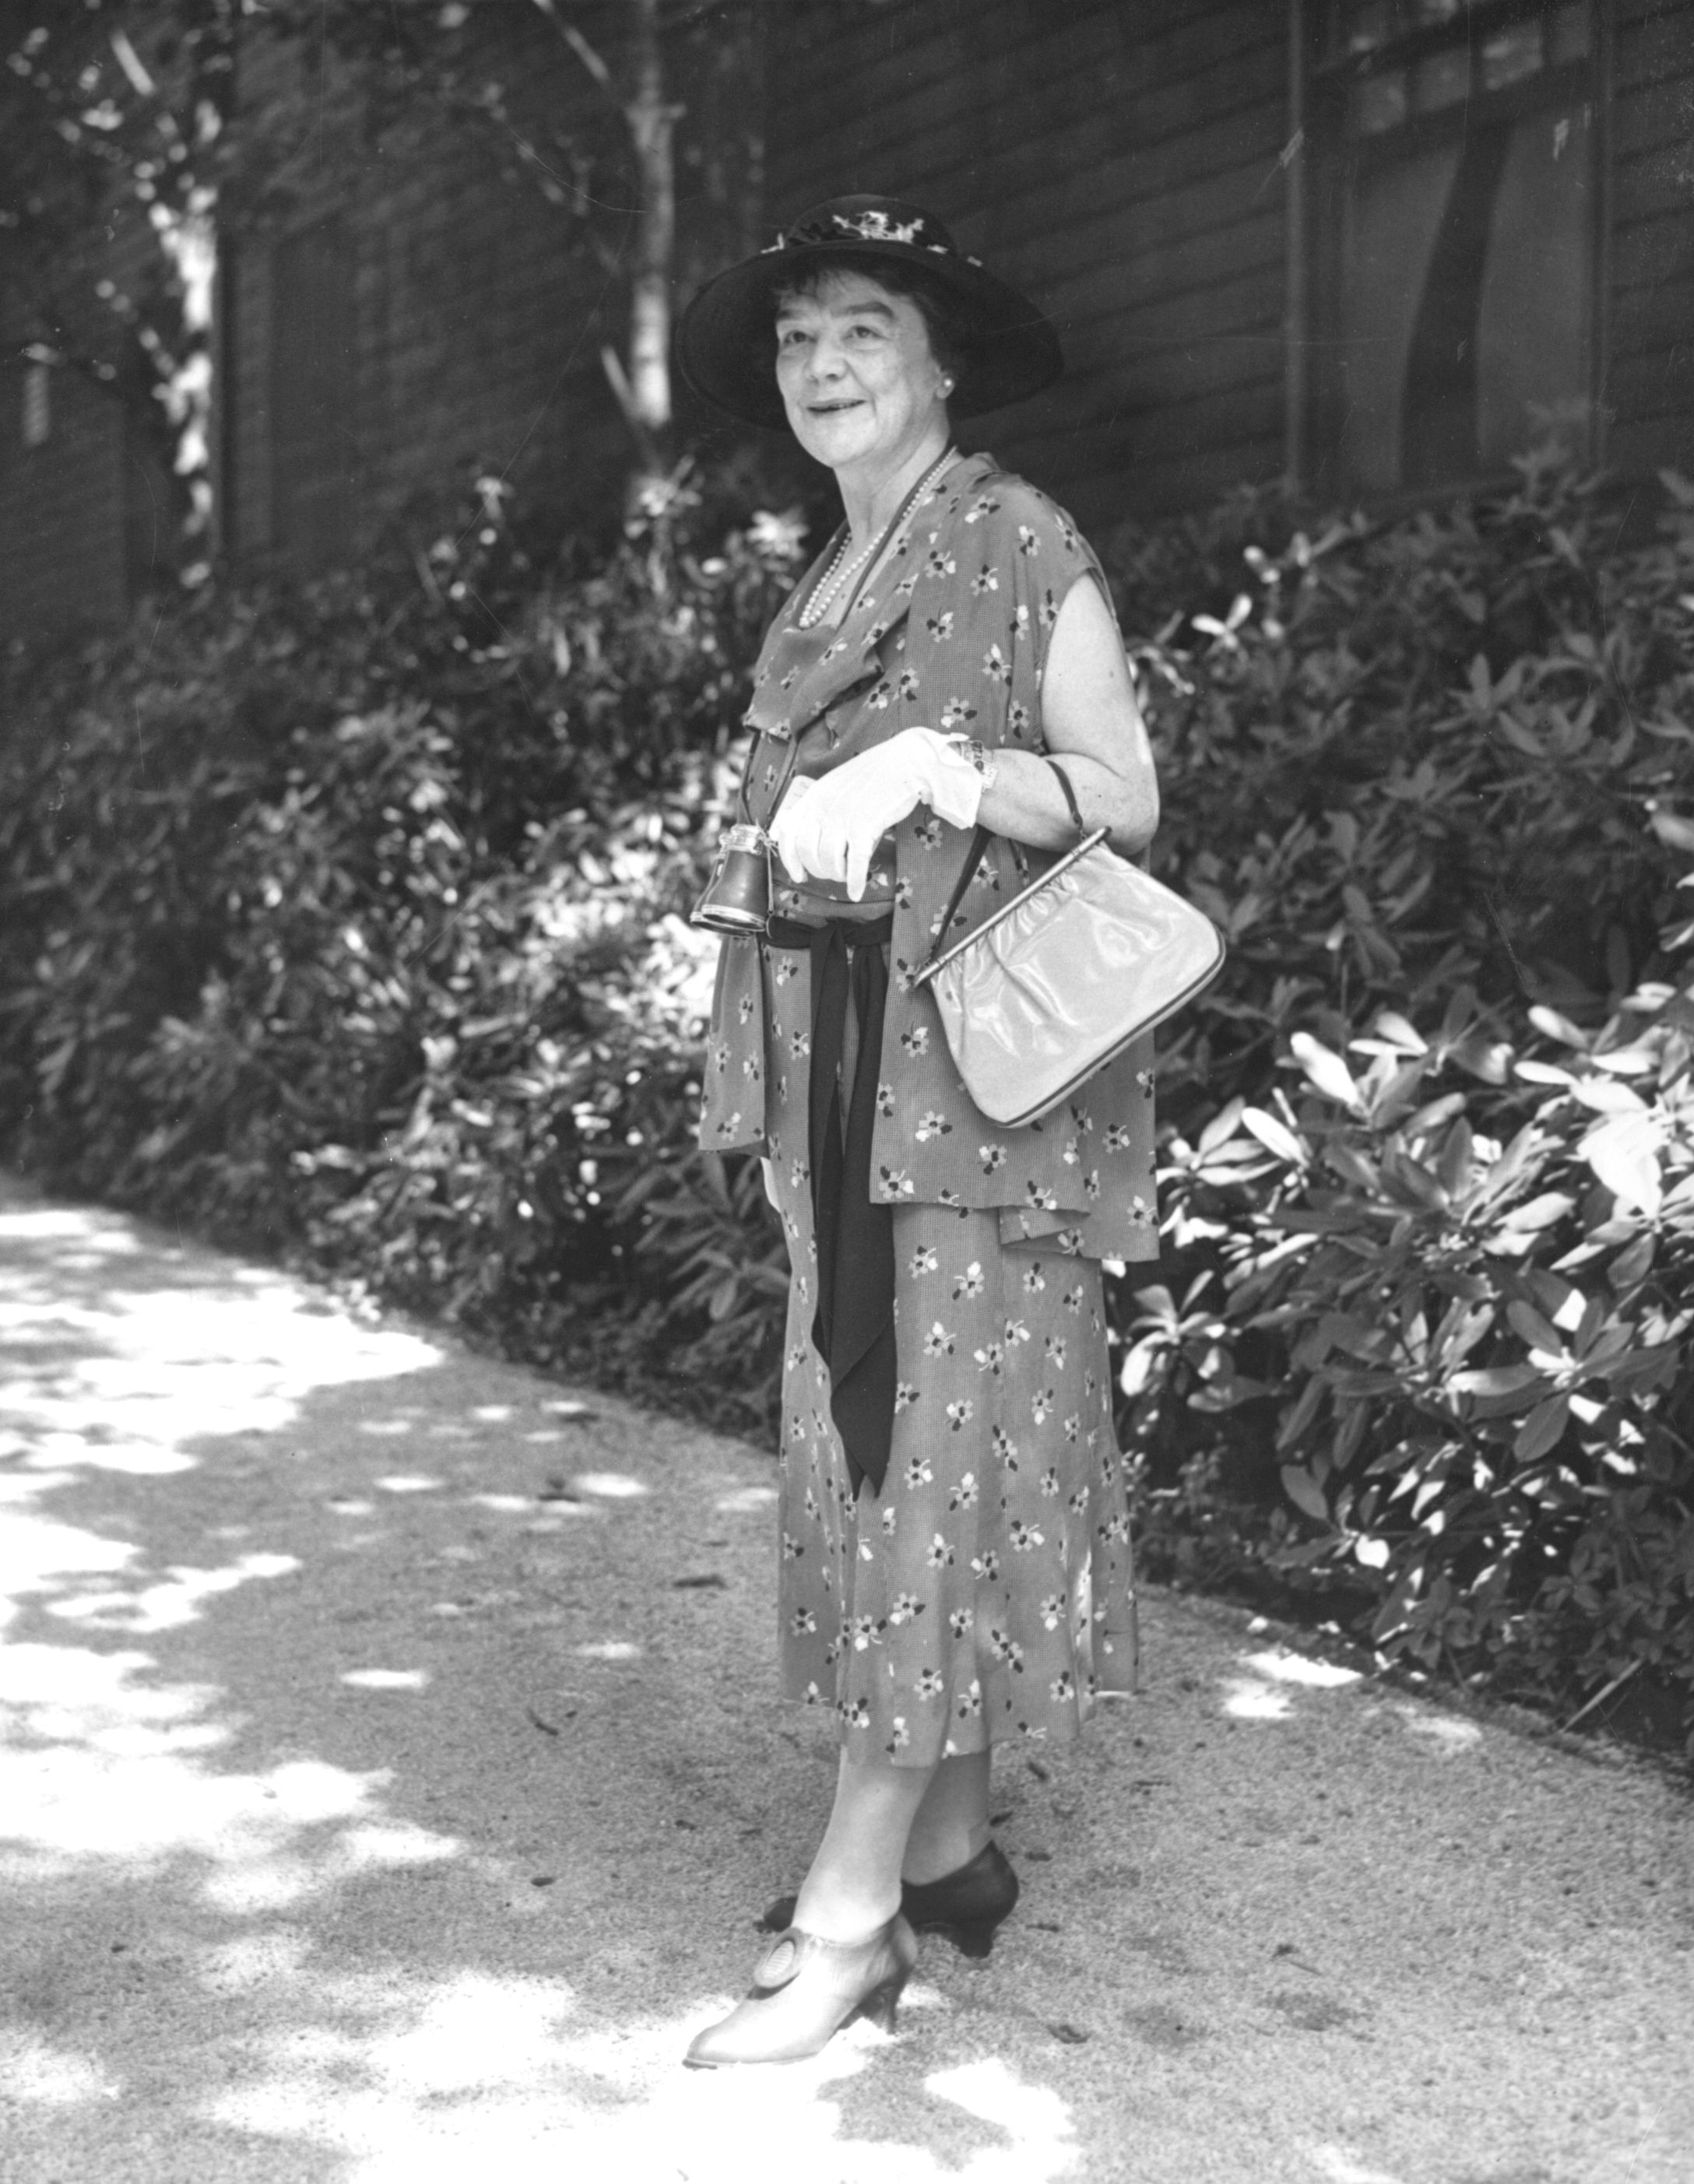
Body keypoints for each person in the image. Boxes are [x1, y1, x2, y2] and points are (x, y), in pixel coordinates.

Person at [674, 195, 1161, 2069]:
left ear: (937, 358)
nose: (823, 365)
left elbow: (1124, 796)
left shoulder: (1017, 536)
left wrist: (946, 766)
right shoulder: (824, 572)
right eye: (798, 338)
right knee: (873, 1451)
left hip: (964, 1098)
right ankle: (953, 1840)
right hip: (836, 1090)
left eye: (861, 326)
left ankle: (856, 1909)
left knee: (928, 1464)